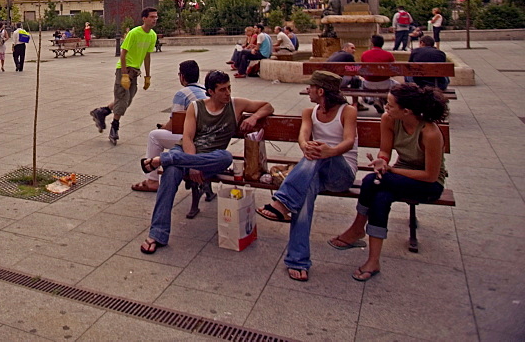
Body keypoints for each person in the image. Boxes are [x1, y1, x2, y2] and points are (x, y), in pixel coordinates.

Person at [138, 71, 274, 254]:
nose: (228, 93)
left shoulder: (235, 105)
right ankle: (157, 234)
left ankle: (164, 159)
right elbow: (187, 138)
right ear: (210, 91)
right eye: (222, 90)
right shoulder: (196, 107)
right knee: (170, 174)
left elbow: (268, 106)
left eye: (229, 88)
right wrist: (193, 164)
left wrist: (254, 117)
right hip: (187, 153)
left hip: (210, 159)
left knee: (225, 157)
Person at [329, 84, 448, 281]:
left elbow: (430, 176)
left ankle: (357, 229)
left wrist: (391, 170)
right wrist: (382, 162)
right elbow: (385, 151)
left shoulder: (430, 133)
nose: (385, 107)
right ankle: (373, 261)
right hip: (397, 177)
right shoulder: (390, 120)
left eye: (390, 105)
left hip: (427, 185)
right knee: (381, 197)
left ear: (406, 111)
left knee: (370, 181)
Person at [256, 71, 358, 282]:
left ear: (320, 91)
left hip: (342, 172)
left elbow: (348, 141)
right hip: (316, 171)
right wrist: (305, 146)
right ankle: (297, 260)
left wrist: (331, 151)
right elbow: (303, 136)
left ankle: (281, 202)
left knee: (317, 152)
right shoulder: (308, 112)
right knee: (304, 196)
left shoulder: (347, 111)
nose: (307, 91)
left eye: (310, 87)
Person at [132, 60, 207, 193]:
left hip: (194, 140)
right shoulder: (204, 89)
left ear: (182, 77)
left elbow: (174, 124)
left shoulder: (183, 93)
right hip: (207, 137)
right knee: (160, 133)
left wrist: (162, 128)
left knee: (154, 136)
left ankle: (152, 180)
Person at [90, 7, 159, 145]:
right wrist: (124, 75)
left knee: (127, 100)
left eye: (156, 17)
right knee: (122, 99)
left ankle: (102, 112)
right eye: (151, 17)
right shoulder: (134, 33)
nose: (154, 19)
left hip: (135, 71)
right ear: (144, 18)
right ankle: (114, 128)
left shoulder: (152, 35)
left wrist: (148, 76)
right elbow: (123, 54)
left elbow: (147, 55)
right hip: (124, 69)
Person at [359, 34, 395, 113]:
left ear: (372, 43)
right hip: (385, 83)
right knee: (398, 85)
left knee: (362, 83)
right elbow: (393, 72)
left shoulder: (365, 54)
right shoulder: (388, 55)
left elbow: (362, 71)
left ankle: (376, 99)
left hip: (369, 84)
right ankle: (383, 100)